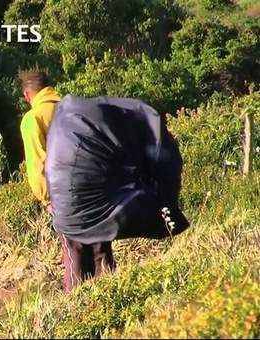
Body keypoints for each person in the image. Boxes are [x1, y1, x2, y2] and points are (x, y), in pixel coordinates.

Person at [44, 95, 190, 292]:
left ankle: (81, 308)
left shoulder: (70, 120)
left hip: (66, 204)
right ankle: (104, 299)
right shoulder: (104, 123)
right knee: (96, 250)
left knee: (77, 256)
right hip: (83, 202)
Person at [18, 71, 61, 213]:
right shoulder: (68, 107)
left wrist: (47, 200)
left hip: (63, 197)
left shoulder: (33, 119)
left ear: (27, 95)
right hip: (94, 186)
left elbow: (37, 164)